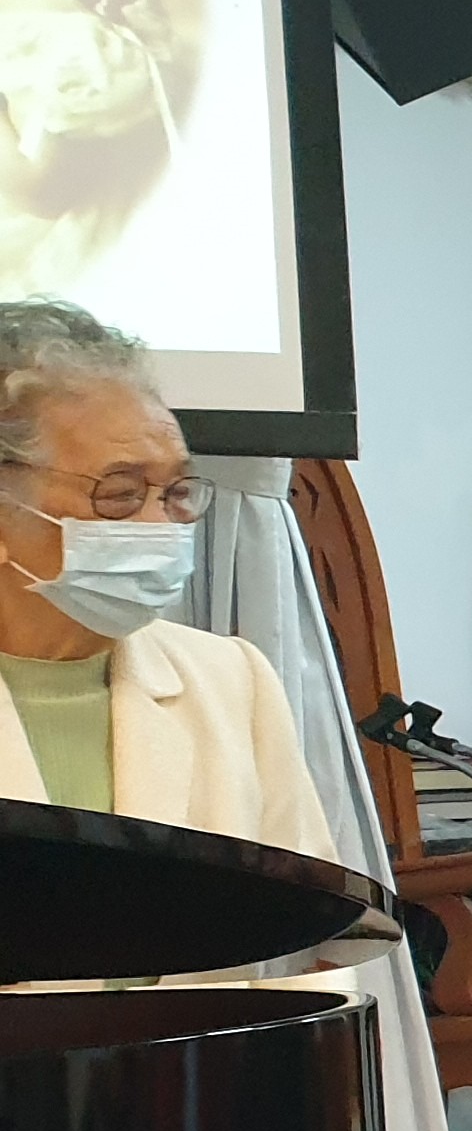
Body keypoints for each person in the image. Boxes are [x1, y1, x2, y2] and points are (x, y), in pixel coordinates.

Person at [0, 298, 326, 857]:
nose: (162, 524)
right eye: (119, 493)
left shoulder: (231, 681)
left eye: (178, 492)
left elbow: (312, 901)